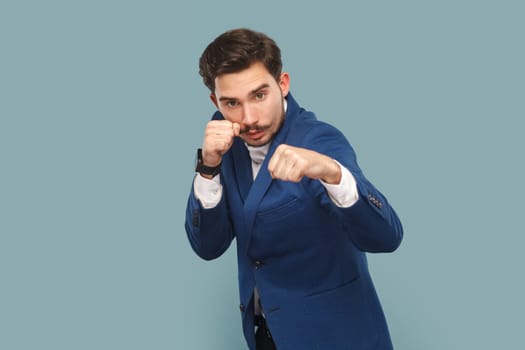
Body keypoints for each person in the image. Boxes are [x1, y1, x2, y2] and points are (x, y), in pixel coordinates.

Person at [185, 28, 403, 350]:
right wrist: (208, 168)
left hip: (335, 336)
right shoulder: (223, 142)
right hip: (267, 335)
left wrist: (331, 173)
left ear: (283, 84)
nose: (249, 118)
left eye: (259, 95)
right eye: (232, 103)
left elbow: (387, 237)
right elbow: (208, 247)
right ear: (216, 101)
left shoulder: (320, 140)